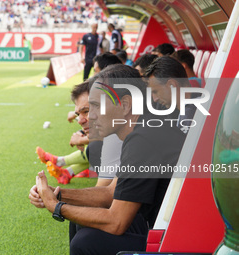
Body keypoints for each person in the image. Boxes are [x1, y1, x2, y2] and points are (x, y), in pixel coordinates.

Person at [29, 64, 186, 254]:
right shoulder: (145, 129)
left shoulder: (144, 138)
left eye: (96, 106)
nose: (91, 116)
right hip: (165, 228)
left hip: (176, 242)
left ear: (126, 105)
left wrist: (56, 207)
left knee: (86, 241)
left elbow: (117, 222)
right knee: (80, 221)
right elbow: (111, 192)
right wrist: (57, 194)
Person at [145, 56, 200, 134]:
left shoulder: (190, 117)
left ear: (172, 85)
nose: (155, 99)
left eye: (156, 92)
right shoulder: (191, 107)